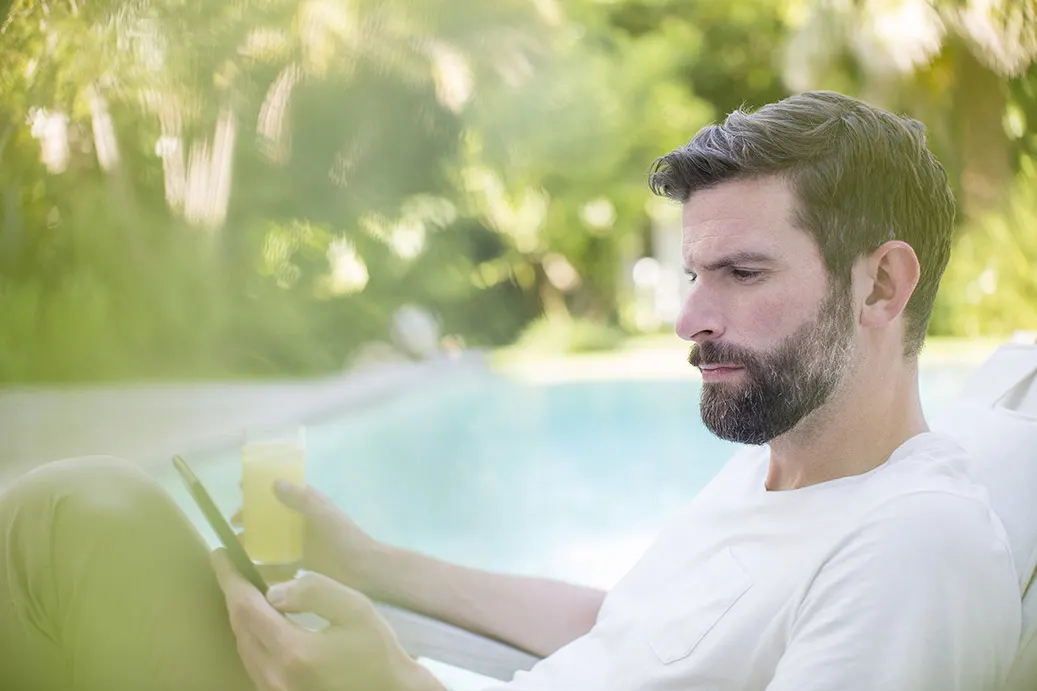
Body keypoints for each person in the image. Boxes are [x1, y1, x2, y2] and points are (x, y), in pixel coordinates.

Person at [0, 90, 1022, 691]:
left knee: (81, 520)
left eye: (741, 275)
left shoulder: (910, 544)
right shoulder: (780, 471)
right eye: (691, 275)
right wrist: (372, 563)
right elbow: (624, 628)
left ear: (882, 282)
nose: (688, 320)